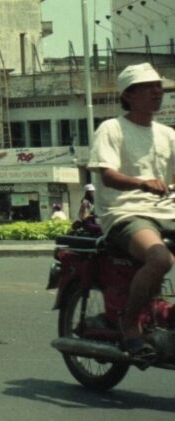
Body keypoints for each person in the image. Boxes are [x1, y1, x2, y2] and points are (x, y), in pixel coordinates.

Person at [88, 62, 175, 360]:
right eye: (148, 87)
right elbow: (108, 175)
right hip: (124, 213)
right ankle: (130, 324)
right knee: (160, 258)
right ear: (129, 95)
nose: (156, 91)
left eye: (159, 87)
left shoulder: (168, 134)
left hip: (167, 212)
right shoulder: (112, 129)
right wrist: (143, 183)